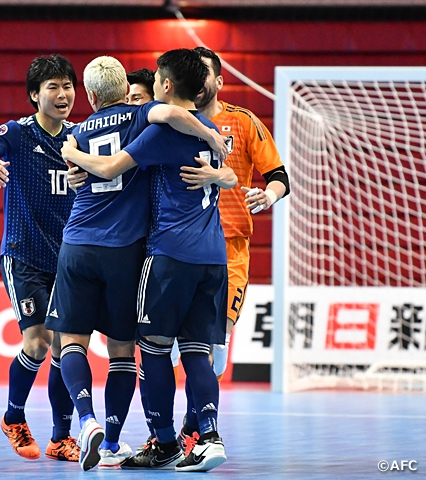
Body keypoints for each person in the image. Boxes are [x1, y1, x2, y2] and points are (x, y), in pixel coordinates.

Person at [45, 55, 227, 472]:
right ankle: (121, 440)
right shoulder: (148, 118)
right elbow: (180, 124)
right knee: (132, 351)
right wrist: (210, 137)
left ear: (88, 95)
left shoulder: (80, 132)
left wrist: (74, 154)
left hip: (86, 243)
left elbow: (104, 167)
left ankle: (92, 423)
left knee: (76, 343)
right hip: (156, 252)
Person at [0, 54, 80, 462]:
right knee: (38, 341)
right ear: (35, 95)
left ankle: (60, 437)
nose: (63, 94)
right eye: (53, 87)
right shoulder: (16, 133)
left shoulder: (78, 138)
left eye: (68, 85)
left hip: (68, 260)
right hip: (24, 254)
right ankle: (13, 416)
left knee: (69, 349)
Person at [177, 47, 291, 452]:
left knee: (217, 353)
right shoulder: (171, 120)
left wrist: (270, 195)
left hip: (229, 250)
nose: (198, 80)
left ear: (219, 81)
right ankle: (177, 434)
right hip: (178, 248)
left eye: (204, 73)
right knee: (171, 349)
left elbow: (279, 175)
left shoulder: (242, 123)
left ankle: (194, 428)